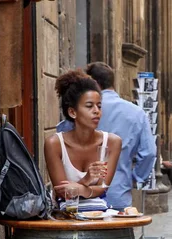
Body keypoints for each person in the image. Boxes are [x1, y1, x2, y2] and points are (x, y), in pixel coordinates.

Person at [58, 62, 157, 211]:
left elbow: (64, 138)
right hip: (118, 194)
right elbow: (149, 152)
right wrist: (133, 178)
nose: (96, 111)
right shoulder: (136, 113)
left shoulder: (78, 115)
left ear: (94, 82)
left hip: (79, 202)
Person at [45, 69, 122, 210]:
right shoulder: (54, 144)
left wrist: (79, 189)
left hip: (98, 215)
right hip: (65, 218)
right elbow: (62, 193)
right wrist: (87, 180)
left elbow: (103, 188)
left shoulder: (112, 142)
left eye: (99, 106)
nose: (96, 111)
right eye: (89, 106)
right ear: (72, 112)